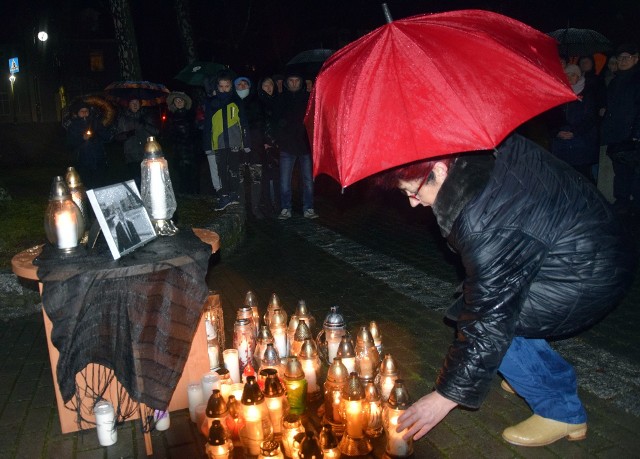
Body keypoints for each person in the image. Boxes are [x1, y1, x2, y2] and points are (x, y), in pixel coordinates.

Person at [373, 134, 635, 447]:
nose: (413, 202)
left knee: (489, 321)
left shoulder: (482, 219)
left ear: (441, 171)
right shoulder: (486, 145)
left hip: (588, 274)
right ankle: (532, 373)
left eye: (413, 191)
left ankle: (561, 410)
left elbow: (489, 319)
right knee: (486, 304)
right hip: (594, 240)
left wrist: (444, 397)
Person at [599, 43, 640, 215]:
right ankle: (622, 202)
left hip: (633, 135)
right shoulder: (615, 81)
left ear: (636, 59)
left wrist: (637, 133)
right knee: (620, 170)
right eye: (620, 58)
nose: (623, 61)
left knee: (635, 172)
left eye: (627, 57)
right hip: (616, 133)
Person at [202, 70, 248, 211]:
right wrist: (207, 145)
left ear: (231, 86)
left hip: (234, 142)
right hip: (219, 143)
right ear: (217, 87)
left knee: (234, 169)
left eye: (227, 86)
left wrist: (246, 143)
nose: (224, 89)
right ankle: (224, 196)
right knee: (221, 170)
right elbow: (207, 126)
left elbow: (244, 123)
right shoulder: (212, 103)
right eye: (221, 86)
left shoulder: (236, 101)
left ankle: (234, 194)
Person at [275, 71, 318, 219]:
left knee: (308, 181)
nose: (294, 83)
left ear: (300, 82)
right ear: (287, 83)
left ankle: (309, 208)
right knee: (285, 181)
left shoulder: (307, 98)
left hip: (305, 146)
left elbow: (314, 117)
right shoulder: (282, 98)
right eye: (291, 80)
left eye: (296, 81)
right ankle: (286, 208)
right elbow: (276, 119)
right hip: (287, 147)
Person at [547, 64, 599, 182]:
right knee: (563, 177)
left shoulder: (588, 94)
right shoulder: (556, 93)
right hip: (561, 144)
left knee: (582, 177)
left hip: (581, 143)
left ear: (579, 77)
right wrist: (557, 132)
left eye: (573, 75)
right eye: (566, 75)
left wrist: (575, 132)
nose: (569, 78)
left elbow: (590, 118)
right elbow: (550, 118)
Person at [65, 99, 113, 189]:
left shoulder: (96, 123)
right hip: (83, 162)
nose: (84, 113)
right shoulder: (73, 126)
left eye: (86, 111)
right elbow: (70, 143)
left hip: (99, 160)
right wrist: (82, 139)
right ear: (77, 113)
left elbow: (107, 137)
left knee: (100, 185)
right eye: (82, 111)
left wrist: (98, 133)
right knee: (87, 186)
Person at [234, 76, 265, 219]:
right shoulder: (231, 102)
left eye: (244, 83)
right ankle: (241, 209)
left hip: (255, 145)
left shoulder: (257, 102)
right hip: (237, 146)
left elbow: (262, 123)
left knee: (256, 178)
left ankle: (256, 208)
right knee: (238, 178)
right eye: (239, 84)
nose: (242, 86)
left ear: (249, 86)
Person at [114, 98, 159, 189]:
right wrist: (128, 134)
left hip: (147, 154)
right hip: (131, 155)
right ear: (128, 105)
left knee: (149, 179)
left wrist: (145, 124)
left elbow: (156, 132)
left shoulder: (147, 116)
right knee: (136, 180)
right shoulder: (123, 118)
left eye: (137, 103)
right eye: (132, 102)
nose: (135, 105)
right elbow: (117, 137)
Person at [165, 91, 198, 194]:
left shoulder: (192, 116)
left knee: (192, 176)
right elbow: (168, 135)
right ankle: (184, 195)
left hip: (191, 151)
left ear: (184, 102)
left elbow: (196, 132)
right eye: (176, 101)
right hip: (178, 152)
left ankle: (193, 195)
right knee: (181, 175)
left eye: (181, 100)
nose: (179, 102)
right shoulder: (170, 118)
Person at [257, 76, 281, 216]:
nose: (269, 87)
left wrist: (277, 142)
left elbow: (281, 124)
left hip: (277, 145)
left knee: (277, 175)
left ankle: (277, 204)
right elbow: (257, 125)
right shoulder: (258, 103)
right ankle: (268, 204)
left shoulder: (278, 101)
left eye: (271, 84)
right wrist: (264, 142)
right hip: (263, 145)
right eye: (265, 84)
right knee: (265, 176)